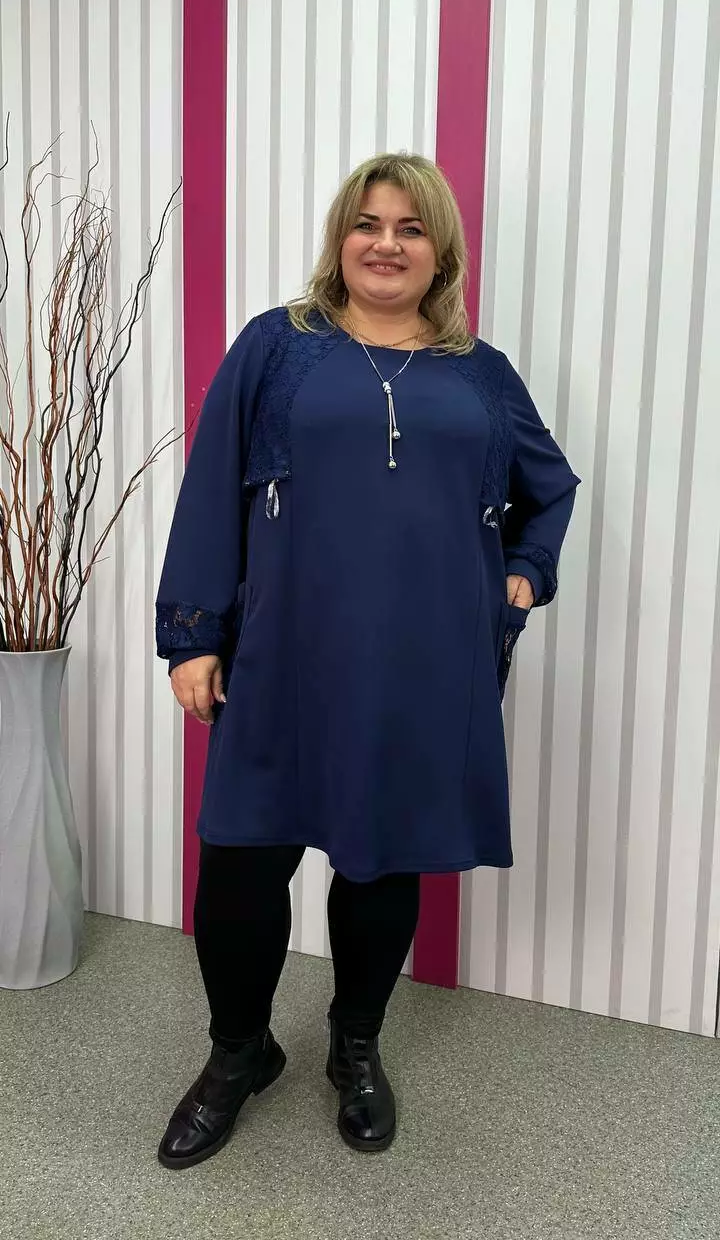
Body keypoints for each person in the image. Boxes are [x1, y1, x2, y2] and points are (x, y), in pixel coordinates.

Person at [154, 152, 581, 1168]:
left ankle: (355, 1045)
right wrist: (193, 632)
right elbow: (213, 486)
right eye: (368, 223)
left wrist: (523, 578)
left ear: (441, 252)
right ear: (341, 237)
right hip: (283, 656)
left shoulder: (479, 372)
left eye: (411, 227)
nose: (386, 243)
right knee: (242, 861)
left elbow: (550, 486)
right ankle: (238, 1051)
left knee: (381, 858)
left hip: (423, 668)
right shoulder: (280, 346)